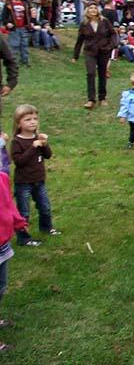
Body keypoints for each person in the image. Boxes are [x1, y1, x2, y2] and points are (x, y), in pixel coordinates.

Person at [10, 104, 60, 246]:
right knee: (24, 211)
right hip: (23, 183)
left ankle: (46, 228)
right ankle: (23, 238)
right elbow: (19, 161)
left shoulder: (37, 138)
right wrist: (33, 147)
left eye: (35, 118)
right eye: (27, 119)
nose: (32, 122)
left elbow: (48, 156)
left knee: (45, 207)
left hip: (39, 181)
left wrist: (44, 144)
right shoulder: (17, 141)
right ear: (19, 123)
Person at [0, 159, 27, 352]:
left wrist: (18, 221)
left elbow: (8, 204)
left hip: (2, 244)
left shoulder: (2, 178)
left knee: (1, 286)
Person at [72, 3, 116, 109]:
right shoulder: (84, 24)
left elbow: (113, 34)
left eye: (95, 8)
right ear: (87, 10)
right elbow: (80, 40)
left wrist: (112, 46)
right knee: (90, 73)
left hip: (104, 51)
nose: (93, 10)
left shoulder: (104, 21)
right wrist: (75, 55)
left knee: (102, 74)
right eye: (90, 8)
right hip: (90, 52)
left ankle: (102, 98)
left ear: (98, 10)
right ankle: (91, 99)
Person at [3, 0, 31, 67]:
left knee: (24, 45)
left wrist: (29, 23)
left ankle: (25, 61)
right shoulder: (9, 4)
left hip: (23, 27)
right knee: (14, 45)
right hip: (14, 28)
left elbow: (28, 15)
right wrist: (7, 23)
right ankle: (13, 61)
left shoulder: (25, 4)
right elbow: (4, 16)